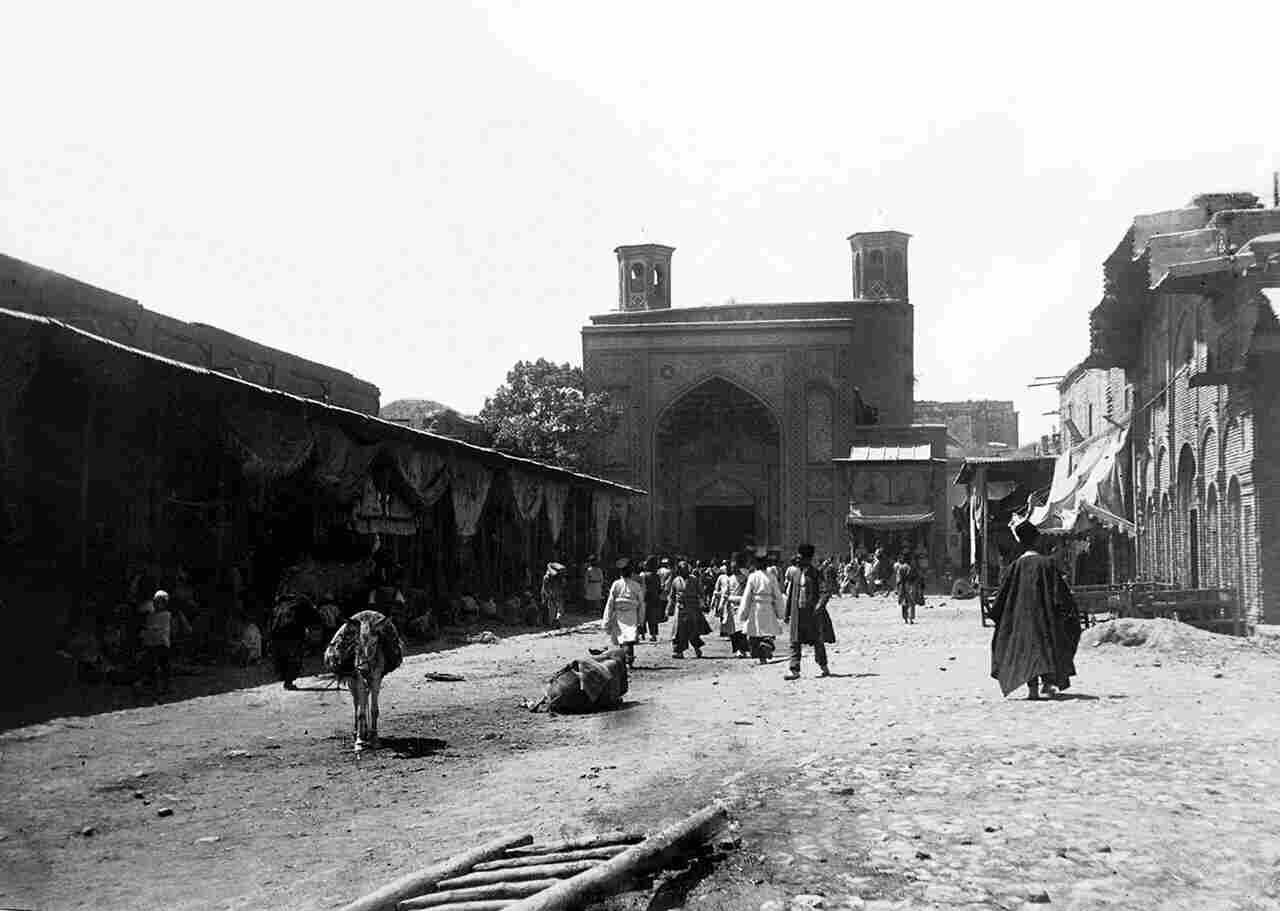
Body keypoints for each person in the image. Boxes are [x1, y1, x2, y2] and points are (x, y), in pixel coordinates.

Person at [989, 515, 1081, 699]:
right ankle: (1047, 683)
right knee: (1047, 647)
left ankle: (1033, 689)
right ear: (1037, 540)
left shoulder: (1014, 567)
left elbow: (1001, 600)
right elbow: (1061, 596)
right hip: (1045, 618)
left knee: (1027, 651)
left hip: (1021, 621)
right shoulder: (1047, 564)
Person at [783, 544, 833, 679]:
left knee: (817, 641)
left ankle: (824, 667)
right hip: (797, 613)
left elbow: (825, 591)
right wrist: (787, 613)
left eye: (800, 557)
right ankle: (794, 670)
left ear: (807, 559)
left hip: (812, 614)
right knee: (794, 641)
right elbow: (791, 595)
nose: (797, 559)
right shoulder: (795, 574)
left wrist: (819, 606)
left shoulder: (816, 573)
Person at [735, 551, 785, 663]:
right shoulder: (771, 577)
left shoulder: (752, 577)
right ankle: (766, 650)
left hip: (755, 608)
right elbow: (777, 595)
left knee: (756, 633)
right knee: (767, 631)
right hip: (768, 607)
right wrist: (780, 611)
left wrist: (743, 612)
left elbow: (747, 596)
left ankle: (761, 656)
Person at [269, 592, 323, 690]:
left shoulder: (279, 606)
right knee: (293, 658)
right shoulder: (302, 603)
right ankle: (288, 681)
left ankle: (286, 679)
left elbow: (273, 623)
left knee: (283, 657)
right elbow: (315, 618)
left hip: (278, 635)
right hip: (293, 635)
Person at [602, 558, 644, 667]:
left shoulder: (617, 584)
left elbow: (610, 603)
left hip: (625, 615)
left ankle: (626, 660)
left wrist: (606, 619)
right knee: (626, 638)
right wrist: (641, 620)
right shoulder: (635, 585)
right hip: (628, 615)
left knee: (625, 638)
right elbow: (641, 604)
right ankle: (627, 660)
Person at [667, 561, 708, 658]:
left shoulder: (694, 579)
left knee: (693, 630)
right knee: (678, 631)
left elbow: (701, 593)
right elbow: (672, 596)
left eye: (685, 569)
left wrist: (702, 603)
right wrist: (669, 608)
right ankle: (678, 651)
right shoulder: (676, 580)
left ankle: (697, 648)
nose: (684, 571)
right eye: (681, 569)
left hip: (692, 607)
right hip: (680, 608)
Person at [137, 590, 174, 697]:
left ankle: (166, 687)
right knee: (153, 667)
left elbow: (157, 628)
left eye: (160, 602)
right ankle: (155, 688)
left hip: (162, 644)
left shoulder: (166, 615)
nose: (157, 604)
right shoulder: (150, 615)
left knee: (164, 666)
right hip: (151, 644)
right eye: (156, 602)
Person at [714, 555, 751, 658]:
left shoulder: (745, 579)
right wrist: (721, 605)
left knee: (741, 629)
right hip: (731, 607)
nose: (733, 569)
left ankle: (742, 649)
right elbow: (725, 593)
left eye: (735, 567)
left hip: (741, 605)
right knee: (733, 630)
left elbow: (748, 592)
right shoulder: (729, 579)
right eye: (732, 567)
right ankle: (738, 649)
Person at [639, 556, 664, 642]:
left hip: (645, 598)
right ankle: (653, 635)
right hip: (655, 599)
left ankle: (642, 634)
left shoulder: (643, 575)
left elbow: (642, 588)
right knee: (653, 618)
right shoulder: (657, 576)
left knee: (642, 616)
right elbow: (659, 588)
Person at [893, 551, 918, 624]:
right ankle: (910, 618)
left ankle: (905, 619)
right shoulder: (912, 567)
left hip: (902, 586)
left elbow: (898, 579)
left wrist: (897, 588)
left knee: (904, 602)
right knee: (911, 602)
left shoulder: (900, 567)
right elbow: (916, 577)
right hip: (910, 586)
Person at [541, 562, 566, 628]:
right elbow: (545, 588)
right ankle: (551, 622)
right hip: (550, 595)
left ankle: (555, 622)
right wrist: (549, 595)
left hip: (555, 594)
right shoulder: (547, 577)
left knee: (557, 610)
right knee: (551, 609)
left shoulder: (557, 578)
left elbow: (561, 586)